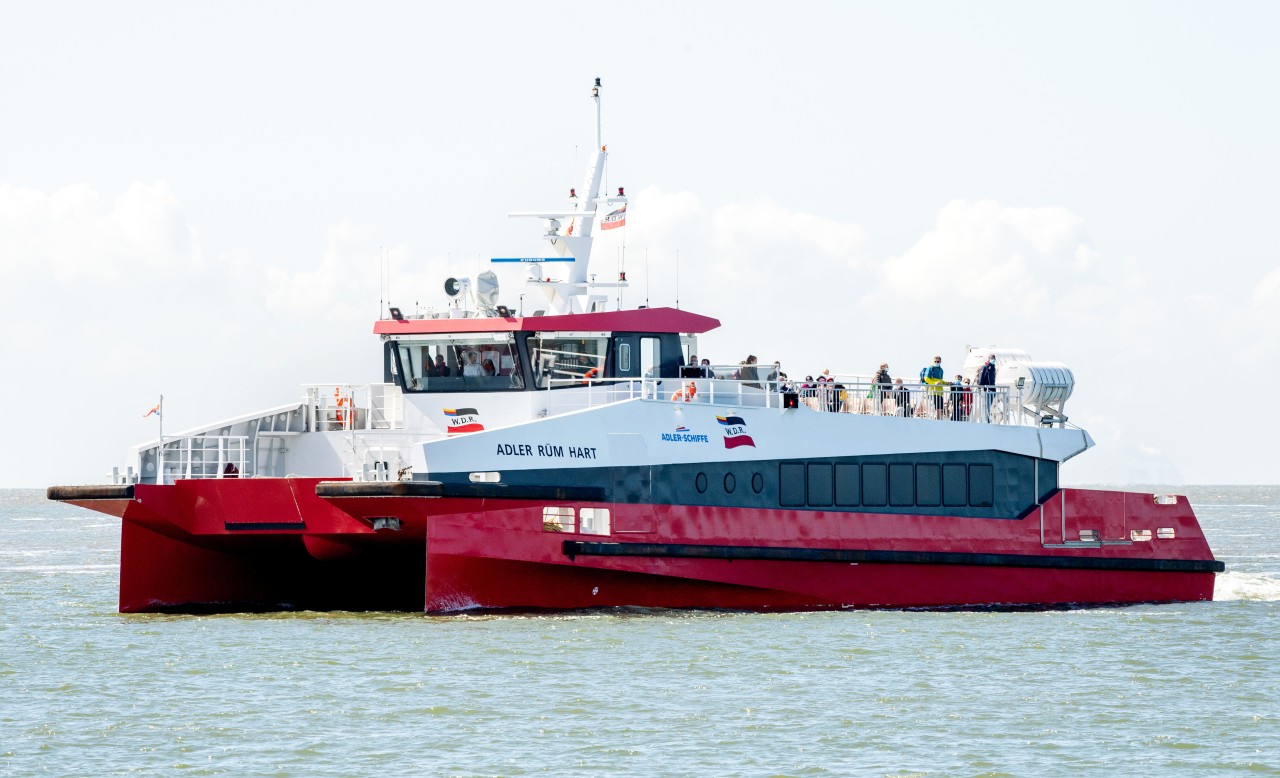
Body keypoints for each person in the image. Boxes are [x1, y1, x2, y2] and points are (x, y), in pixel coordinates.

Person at [977, 353, 997, 422]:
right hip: (986, 390)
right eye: (992, 358)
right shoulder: (985, 367)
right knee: (986, 406)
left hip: (992, 389)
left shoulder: (993, 368)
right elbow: (981, 378)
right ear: (989, 359)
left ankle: (987, 418)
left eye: (994, 358)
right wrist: (980, 388)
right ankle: (986, 420)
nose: (993, 360)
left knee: (989, 406)